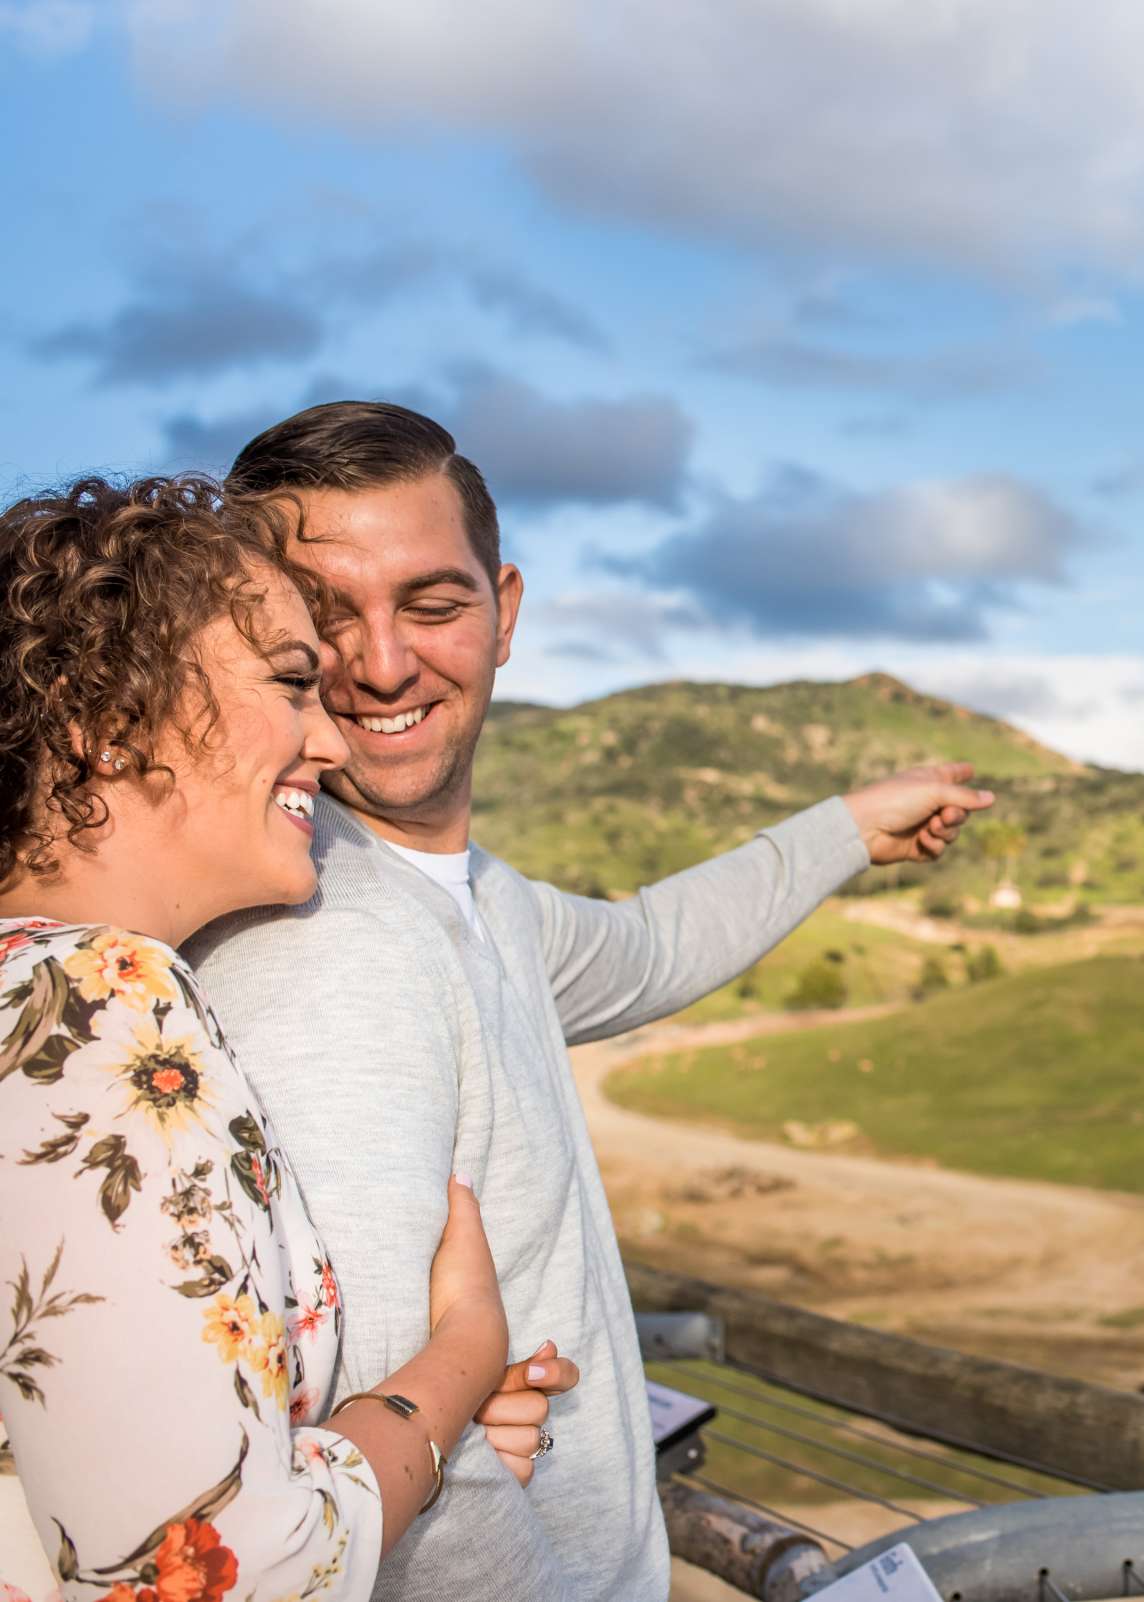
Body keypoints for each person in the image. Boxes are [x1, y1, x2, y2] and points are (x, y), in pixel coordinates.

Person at [187, 402, 994, 1601]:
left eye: (432, 603)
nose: (384, 663)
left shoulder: (471, 900)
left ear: (503, 612)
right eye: (325, 617)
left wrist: (842, 832)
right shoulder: (325, 943)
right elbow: (368, 1441)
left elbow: (644, 944)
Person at [0, 476, 569, 1601]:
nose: (329, 738)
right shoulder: (102, 997)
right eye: (291, 682)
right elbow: (216, 1575)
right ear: (106, 720)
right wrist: (455, 1371)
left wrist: (371, 1459)